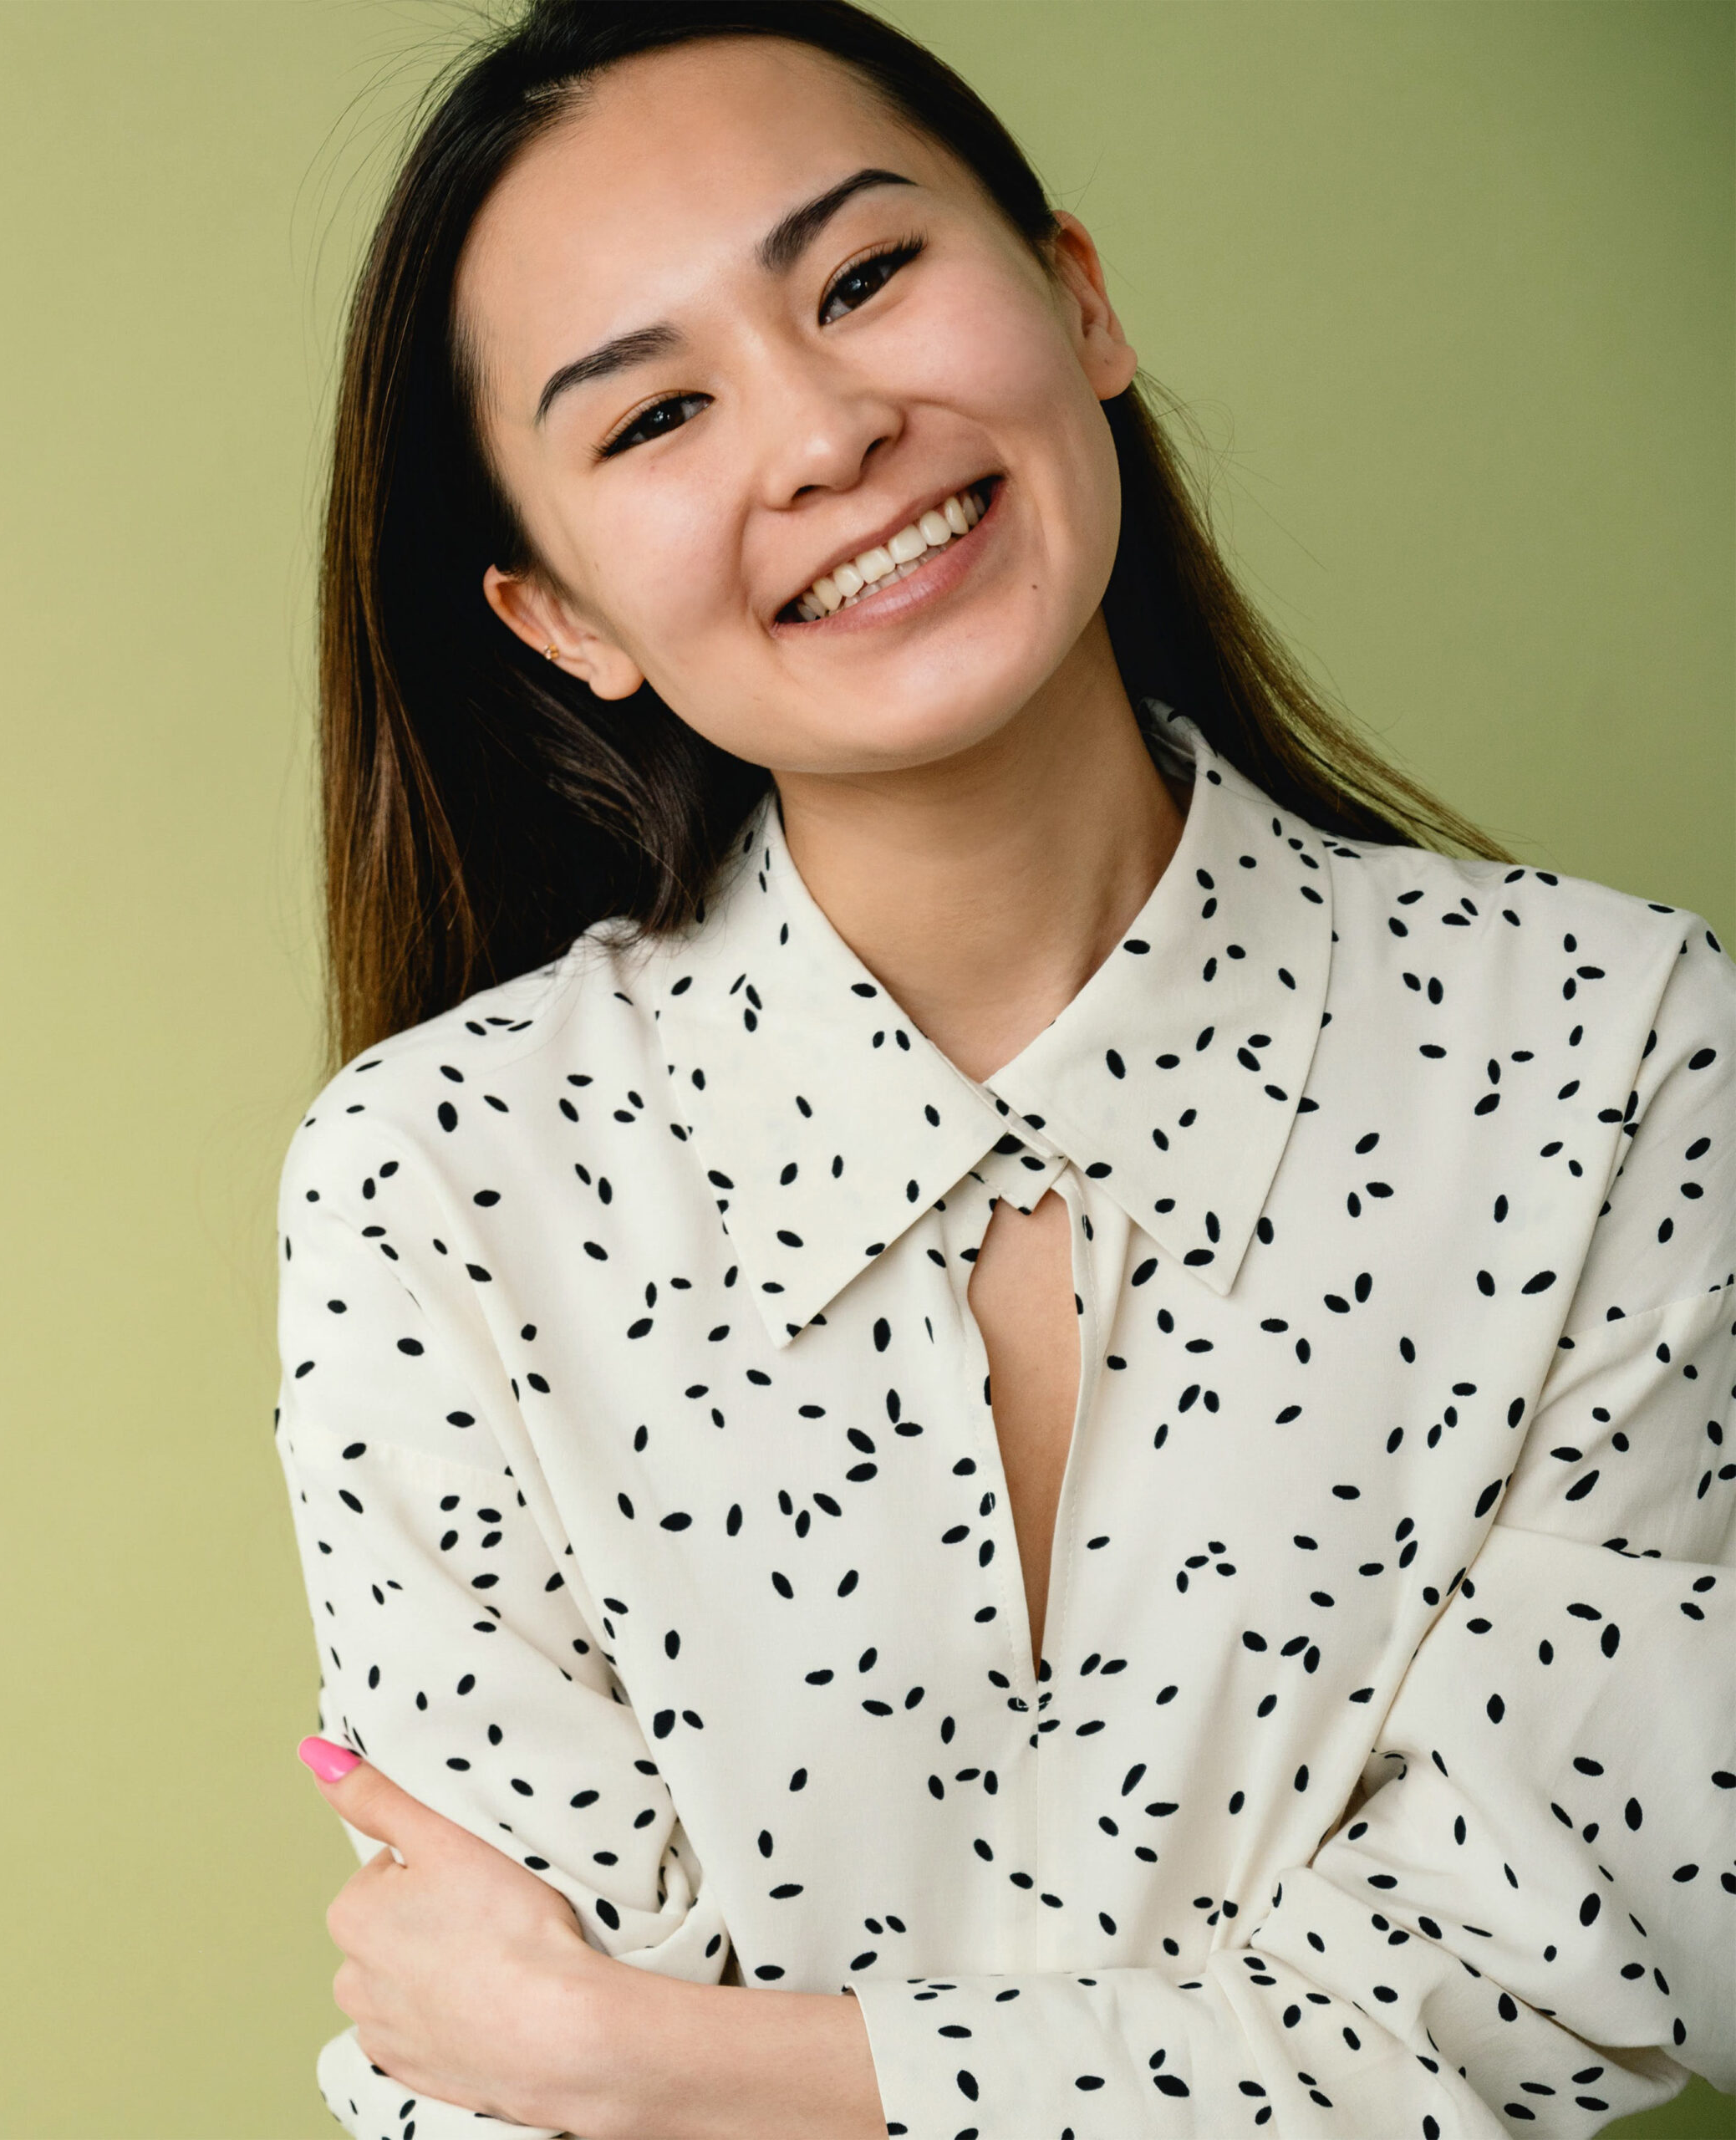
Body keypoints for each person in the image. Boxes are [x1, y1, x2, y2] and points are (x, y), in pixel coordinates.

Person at [270, 6, 1736, 2136]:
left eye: (862, 277)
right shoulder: (436, 1183)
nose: (821, 431)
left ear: (1076, 301)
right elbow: (501, 2094)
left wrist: (662, 2062)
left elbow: (1555, 1985)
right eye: (656, 412)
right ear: (556, 613)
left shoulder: (1604, 1053)